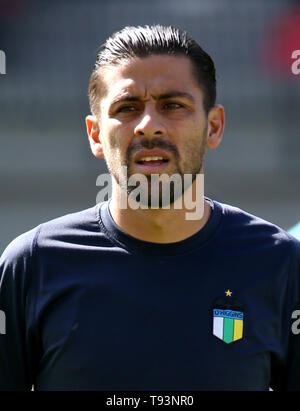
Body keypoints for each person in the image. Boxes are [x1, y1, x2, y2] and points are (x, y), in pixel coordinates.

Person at [1, 24, 300, 391]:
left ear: (214, 126)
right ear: (95, 135)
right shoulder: (32, 265)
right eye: (127, 108)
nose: (148, 125)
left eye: (172, 105)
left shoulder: (280, 263)